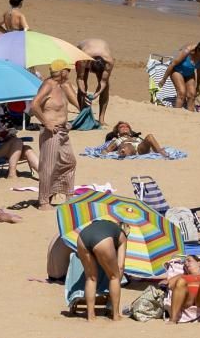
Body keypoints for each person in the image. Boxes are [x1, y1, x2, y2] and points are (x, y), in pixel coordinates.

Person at [30, 61, 76, 207]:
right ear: (62, 71)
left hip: (63, 131)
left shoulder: (62, 86)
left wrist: (70, 87)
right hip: (51, 132)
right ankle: (44, 201)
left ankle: (67, 195)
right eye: (68, 70)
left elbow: (78, 104)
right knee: (48, 166)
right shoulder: (48, 85)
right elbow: (34, 105)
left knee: (70, 162)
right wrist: (46, 122)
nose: (69, 73)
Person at [73, 217, 127, 323]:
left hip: (82, 237)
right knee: (114, 277)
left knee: (91, 278)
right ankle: (115, 315)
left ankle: (90, 316)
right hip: (103, 240)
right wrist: (116, 280)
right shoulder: (122, 236)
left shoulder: (106, 225)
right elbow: (120, 266)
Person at [159, 41, 200, 112]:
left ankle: (190, 115)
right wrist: (164, 79)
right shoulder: (187, 51)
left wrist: (198, 86)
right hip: (177, 71)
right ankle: (176, 113)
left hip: (189, 73)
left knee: (192, 94)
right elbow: (172, 64)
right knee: (182, 93)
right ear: (198, 50)